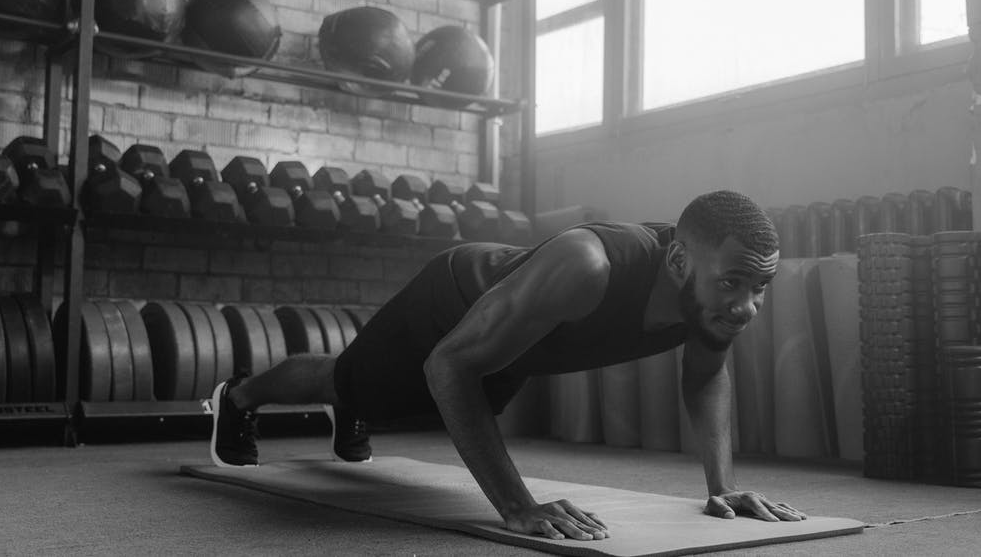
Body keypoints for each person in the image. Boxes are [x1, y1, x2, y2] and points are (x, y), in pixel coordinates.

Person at [209, 189, 806, 541]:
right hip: (452, 304)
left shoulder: (710, 302)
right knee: (351, 382)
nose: (747, 307)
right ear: (678, 260)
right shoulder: (589, 266)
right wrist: (517, 506)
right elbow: (448, 365)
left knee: (449, 403)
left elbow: (706, 375)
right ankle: (238, 397)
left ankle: (357, 406)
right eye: (734, 283)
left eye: (761, 287)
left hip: (526, 341)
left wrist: (723, 488)